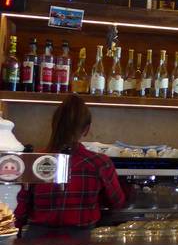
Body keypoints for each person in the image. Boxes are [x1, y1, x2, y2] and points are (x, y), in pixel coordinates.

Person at [14, 95, 124, 231]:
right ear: (86, 129)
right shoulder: (100, 163)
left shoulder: (34, 160)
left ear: (54, 125)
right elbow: (116, 202)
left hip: (38, 237)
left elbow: (20, 209)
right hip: (83, 238)